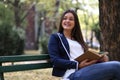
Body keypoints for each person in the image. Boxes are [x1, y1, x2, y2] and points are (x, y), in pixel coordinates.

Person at [48, 9, 120, 80]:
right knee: (117, 66)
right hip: (71, 74)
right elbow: (55, 60)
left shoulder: (78, 40)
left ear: (75, 23)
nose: (67, 21)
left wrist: (99, 59)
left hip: (87, 71)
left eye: (71, 19)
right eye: (65, 18)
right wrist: (77, 65)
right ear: (61, 21)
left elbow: (86, 59)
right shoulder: (56, 37)